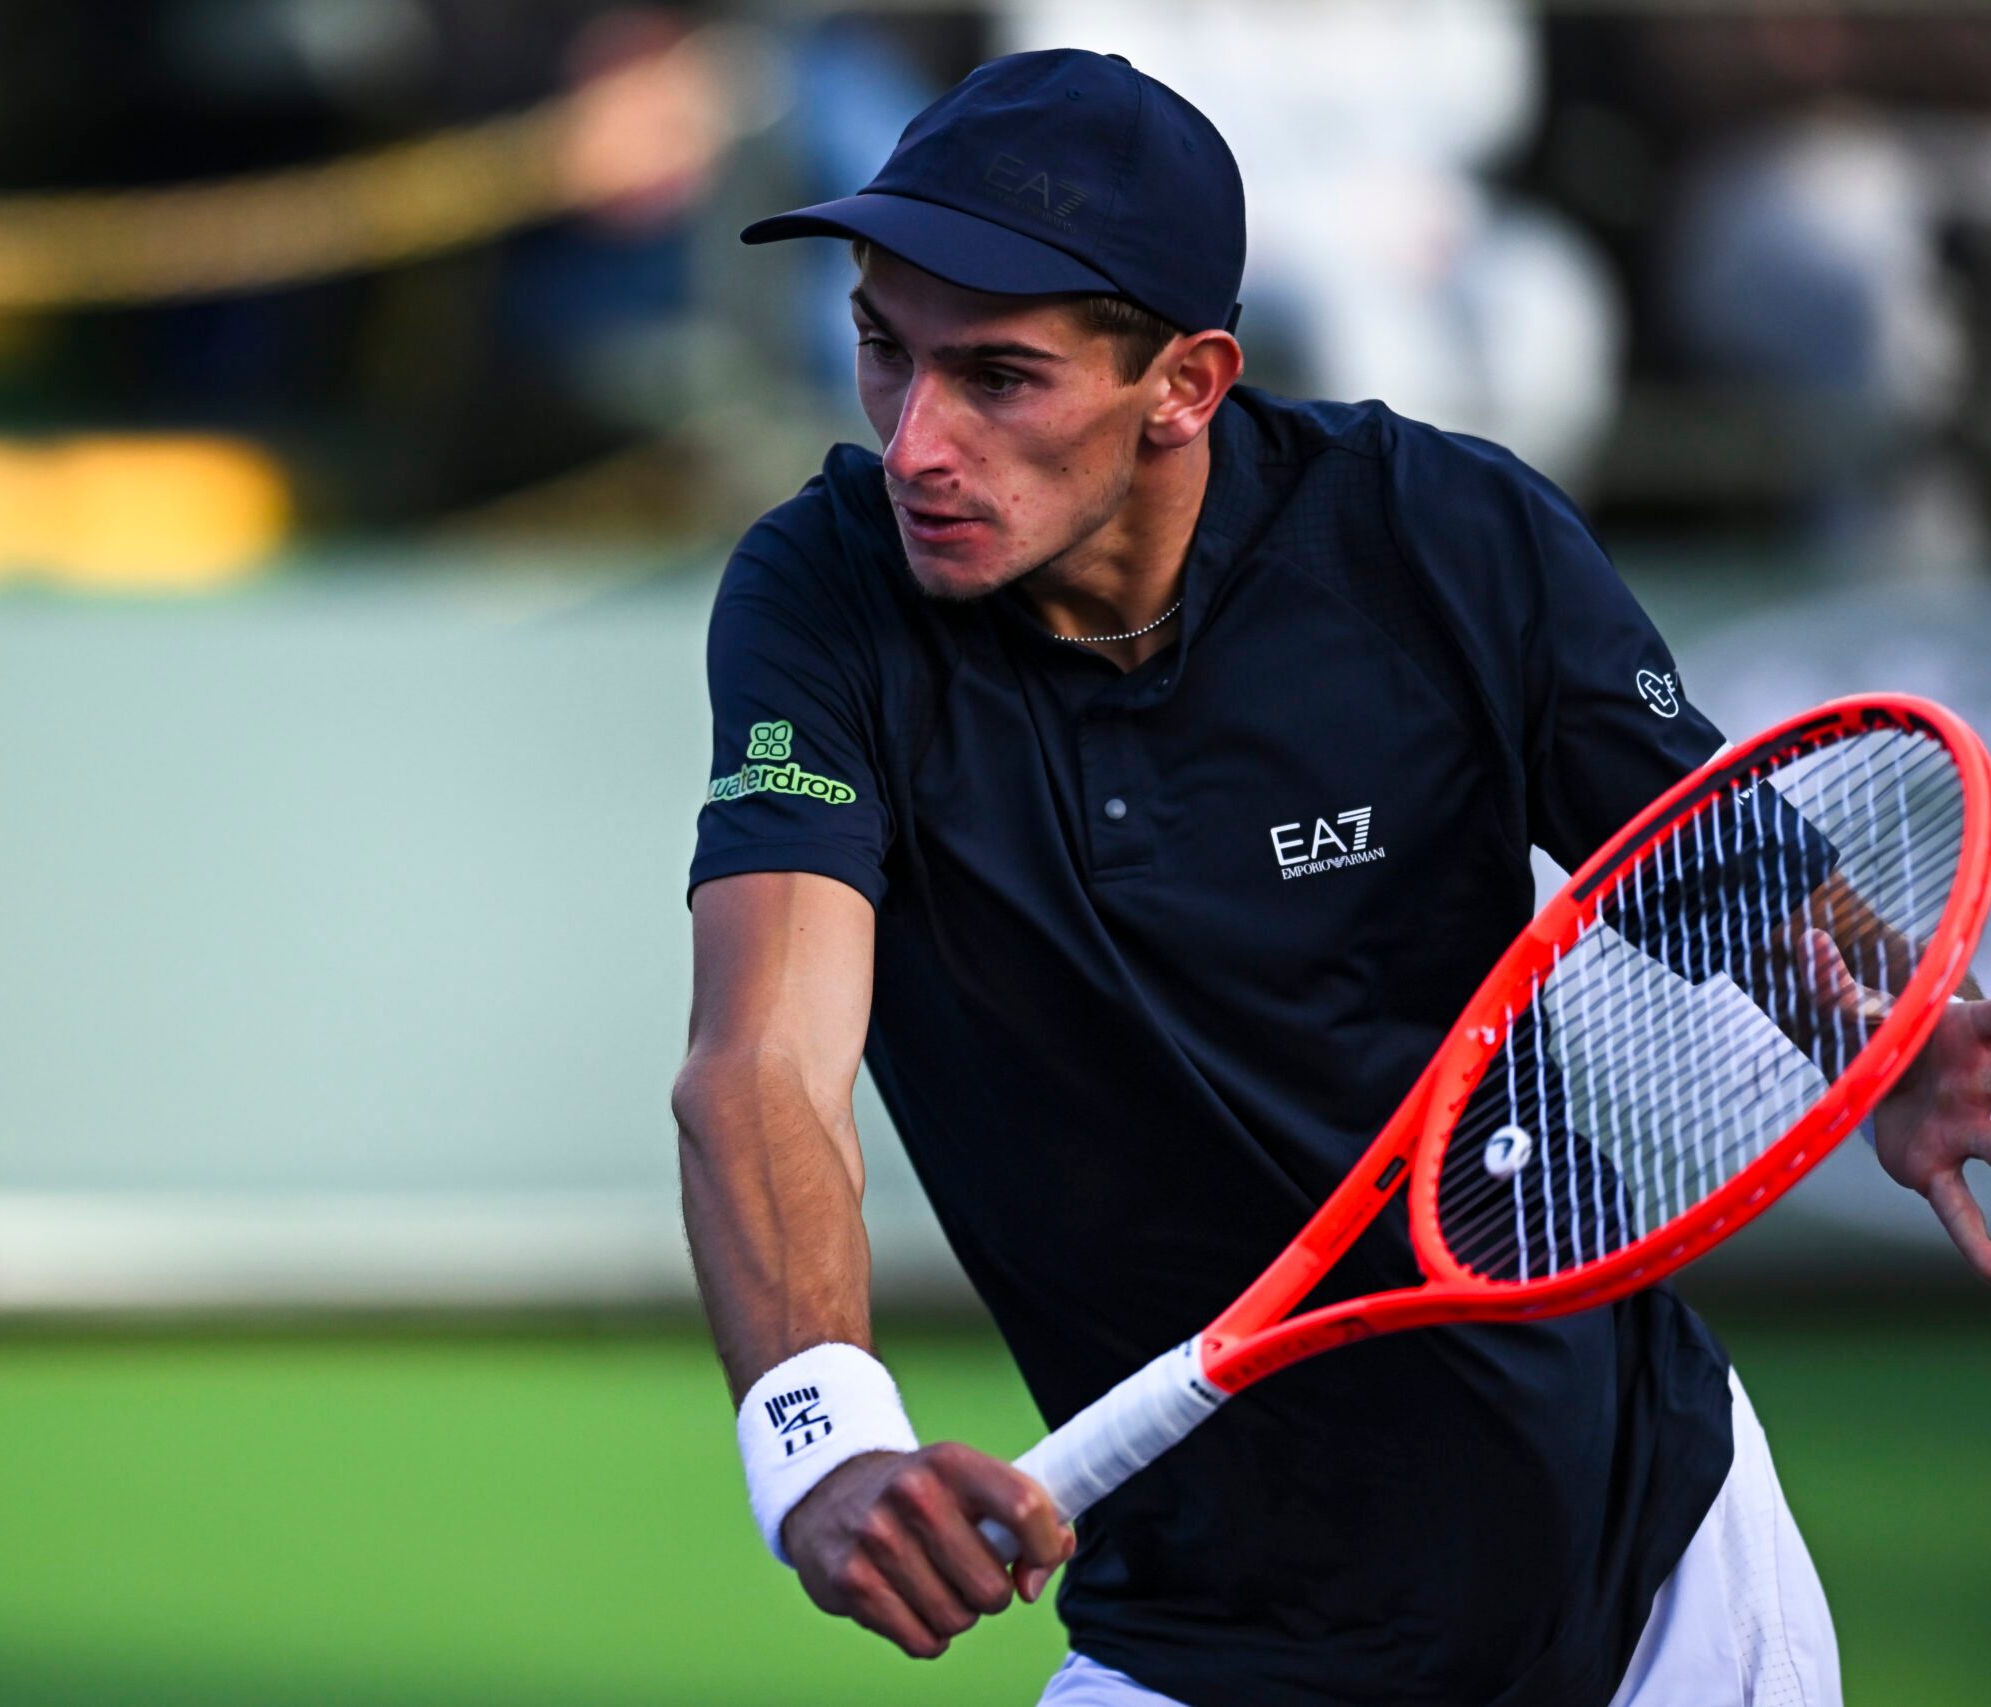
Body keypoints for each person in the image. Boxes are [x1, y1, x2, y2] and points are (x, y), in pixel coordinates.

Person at [672, 48, 1991, 1707]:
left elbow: (1716, 861)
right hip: (1205, 1634)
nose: (918, 440)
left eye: (1000, 378)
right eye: (884, 349)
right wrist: (823, 1442)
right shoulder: (822, 595)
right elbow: (762, 1066)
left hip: (1661, 1567)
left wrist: (1900, 1018)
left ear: (1187, 380)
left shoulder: (1449, 533)